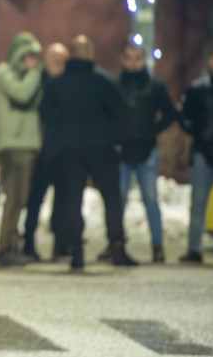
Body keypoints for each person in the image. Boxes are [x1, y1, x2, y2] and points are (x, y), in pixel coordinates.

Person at [40, 35, 138, 269]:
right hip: (102, 149)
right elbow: (120, 112)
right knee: (111, 199)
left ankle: (76, 252)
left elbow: (45, 114)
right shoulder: (103, 81)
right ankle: (117, 247)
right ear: (91, 55)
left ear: (70, 56)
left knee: (72, 202)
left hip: (69, 151)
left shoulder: (58, 83)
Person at [110, 43, 177, 263]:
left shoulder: (154, 86)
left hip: (147, 150)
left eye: (137, 58)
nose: (132, 62)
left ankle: (157, 245)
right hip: (121, 150)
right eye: (128, 58)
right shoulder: (115, 85)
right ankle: (116, 242)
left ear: (143, 60)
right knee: (118, 199)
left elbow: (170, 113)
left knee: (150, 199)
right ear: (122, 59)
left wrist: (152, 130)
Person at [0, 31, 43, 266]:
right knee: (14, 197)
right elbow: (21, 94)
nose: (33, 61)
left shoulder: (27, 77)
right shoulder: (4, 73)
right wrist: (34, 74)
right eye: (29, 56)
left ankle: (13, 244)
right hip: (13, 144)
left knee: (21, 198)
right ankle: (5, 248)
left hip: (28, 144)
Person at [178, 37, 213, 264]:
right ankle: (193, 249)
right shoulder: (198, 89)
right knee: (198, 202)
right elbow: (183, 116)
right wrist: (196, 131)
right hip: (202, 152)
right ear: (211, 61)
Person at [22, 42, 69, 261]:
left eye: (63, 62)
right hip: (42, 149)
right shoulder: (38, 82)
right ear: (47, 61)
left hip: (62, 149)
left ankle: (60, 246)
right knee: (36, 199)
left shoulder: (69, 84)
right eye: (56, 61)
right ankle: (29, 244)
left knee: (62, 200)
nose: (60, 66)